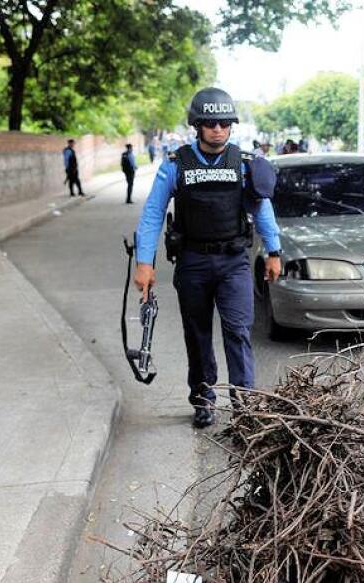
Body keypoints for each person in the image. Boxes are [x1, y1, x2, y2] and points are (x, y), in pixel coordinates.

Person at [133, 87, 282, 429]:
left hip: (233, 262)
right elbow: (153, 213)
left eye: (225, 122)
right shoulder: (175, 164)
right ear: (197, 126)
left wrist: (274, 251)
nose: (218, 129)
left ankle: (245, 406)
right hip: (193, 263)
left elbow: (263, 211)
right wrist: (145, 262)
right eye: (210, 122)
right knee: (197, 334)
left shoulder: (244, 165)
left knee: (238, 331)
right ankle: (203, 400)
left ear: (232, 126)